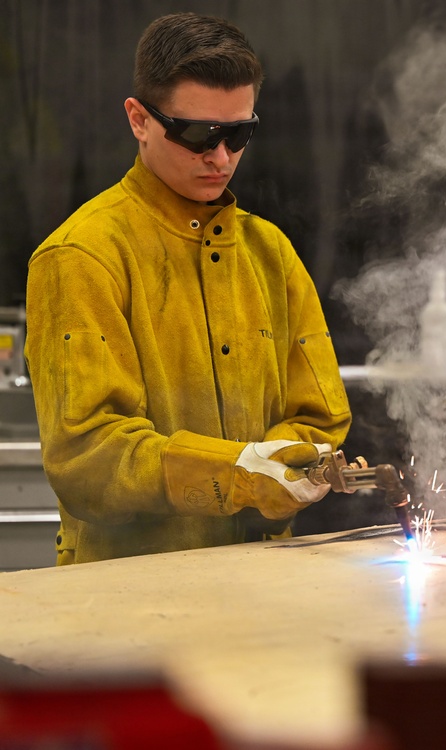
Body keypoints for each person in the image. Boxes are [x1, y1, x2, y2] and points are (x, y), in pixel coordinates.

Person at [24, 13, 350, 564]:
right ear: (138, 119)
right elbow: (88, 456)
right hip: (127, 598)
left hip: (264, 584)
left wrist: (285, 465)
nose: (221, 158)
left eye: (239, 134)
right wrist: (239, 474)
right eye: (198, 133)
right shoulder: (81, 257)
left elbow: (321, 417)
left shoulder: (271, 254)